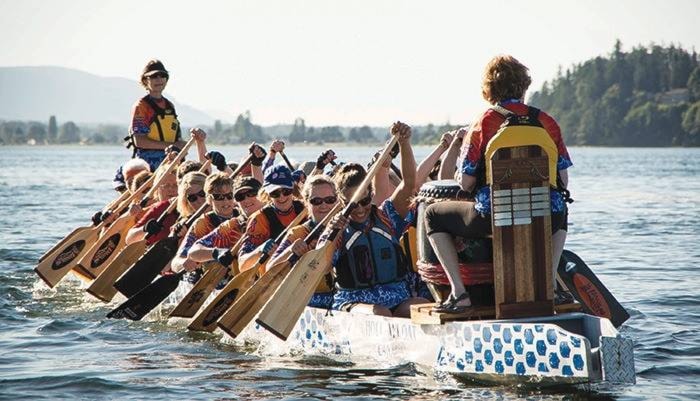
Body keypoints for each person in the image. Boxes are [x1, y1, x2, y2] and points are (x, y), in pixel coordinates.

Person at [424, 55, 573, 313]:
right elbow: (562, 180)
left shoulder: (484, 122)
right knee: (562, 209)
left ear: (489, 89)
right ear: (524, 86)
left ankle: (459, 295)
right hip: (545, 213)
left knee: (432, 215)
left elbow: (467, 182)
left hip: (496, 215)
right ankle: (550, 286)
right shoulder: (547, 121)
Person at [325, 122, 428, 318]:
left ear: (370, 195)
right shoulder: (336, 228)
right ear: (342, 201)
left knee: (423, 307)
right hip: (354, 299)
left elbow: (409, 184)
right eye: (353, 204)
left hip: (396, 295)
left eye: (364, 201)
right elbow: (323, 266)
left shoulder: (386, 216)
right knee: (380, 314)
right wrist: (333, 233)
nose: (361, 209)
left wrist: (405, 143)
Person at [267, 175, 340, 308]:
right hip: (308, 300)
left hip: (340, 298)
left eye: (329, 200)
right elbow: (270, 269)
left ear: (337, 201)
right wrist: (291, 250)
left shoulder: (345, 228)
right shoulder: (298, 233)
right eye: (316, 201)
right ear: (307, 202)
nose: (324, 205)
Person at [186, 176, 265, 273]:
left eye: (251, 194)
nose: (246, 200)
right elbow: (192, 252)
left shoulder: (278, 211)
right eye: (240, 197)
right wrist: (216, 252)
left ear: (262, 195)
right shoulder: (232, 225)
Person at [237, 165, 305, 273]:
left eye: (286, 191)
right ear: (267, 194)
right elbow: (242, 265)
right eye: (275, 193)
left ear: (293, 188)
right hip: (273, 280)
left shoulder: (306, 210)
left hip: (305, 274)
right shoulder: (259, 219)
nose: (281, 197)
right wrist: (260, 249)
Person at [127, 59, 187, 171]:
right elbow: (140, 141)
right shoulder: (141, 106)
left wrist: (181, 146)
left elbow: (176, 137)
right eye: (154, 76)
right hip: (149, 166)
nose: (159, 79)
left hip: (171, 165)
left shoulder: (170, 106)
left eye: (162, 75)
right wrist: (171, 145)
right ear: (145, 81)